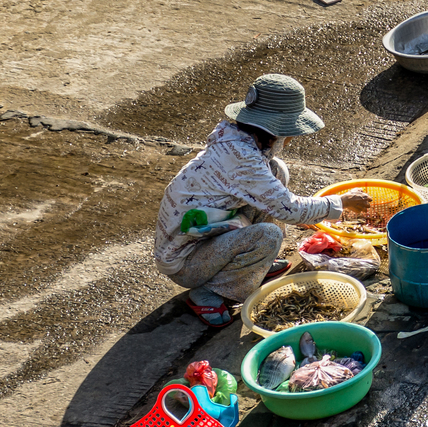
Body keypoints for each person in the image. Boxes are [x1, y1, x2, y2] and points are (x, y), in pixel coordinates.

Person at [154, 73, 372, 327]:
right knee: (268, 236)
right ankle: (210, 293)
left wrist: (308, 214)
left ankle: (252, 265)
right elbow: (289, 209)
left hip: (208, 231)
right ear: (275, 130)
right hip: (185, 261)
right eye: (290, 132)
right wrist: (341, 203)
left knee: (277, 169)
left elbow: (276, 200)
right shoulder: (242, 160)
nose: (291, 139)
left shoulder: (237, 140)